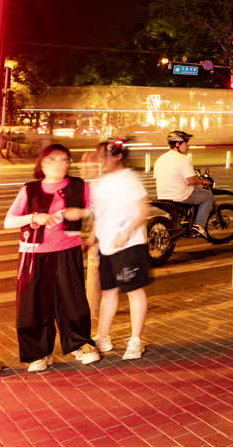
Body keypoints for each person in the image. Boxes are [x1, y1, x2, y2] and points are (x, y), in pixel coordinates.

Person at [3, 144, 98, 372]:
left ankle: (80, 344)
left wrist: (82, 213)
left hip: (67, 250)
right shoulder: (30, 190)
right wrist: (35, 217)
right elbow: (9, 221)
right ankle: (39, 353)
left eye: (66, 159)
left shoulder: (79, 186)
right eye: (56, 159)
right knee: (33, 305)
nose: (62, 163)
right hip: (33, 253)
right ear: (43, 163)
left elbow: (99, 210)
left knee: (72, 301)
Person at [90, 140, 151, 360]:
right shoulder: (99, 182)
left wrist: (127, 232)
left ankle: (135, 340)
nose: (100, 160)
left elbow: (144, 209)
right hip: (106, 245)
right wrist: (94, 239)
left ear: (117, 156)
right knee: (108, 292)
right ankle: (103, 337)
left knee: (134, 291)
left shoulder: (129, 180)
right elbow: (100, 214)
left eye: (103, 156)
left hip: (129, 244)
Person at [154, 130, 214, 237]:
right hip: (180, 196)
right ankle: (198, 226)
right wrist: (203, 181)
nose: (188, 146)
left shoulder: (160, 159)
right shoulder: (183, 159)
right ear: (177, 144)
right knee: (208, 196)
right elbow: (192, 181)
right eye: (186, 143)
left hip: (162, 196)